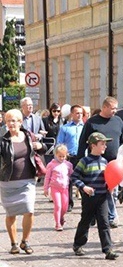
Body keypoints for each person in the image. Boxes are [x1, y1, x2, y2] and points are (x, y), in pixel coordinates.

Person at [0, 109, 48, 254]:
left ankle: (25, 241)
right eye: (8, 121)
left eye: (14, 120)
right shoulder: (2, 139)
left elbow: (42, 149)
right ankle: (14, 243)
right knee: (11, 214)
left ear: (20, 122)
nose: (11, 124)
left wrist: (41, 146)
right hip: (7, 181)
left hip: (27, 179)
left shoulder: (28, 135)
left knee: (29, 210)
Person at [77, 96, 123, 228]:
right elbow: (83, 142)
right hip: (95, 163)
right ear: (104, 107)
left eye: (116, 108)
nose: (115, 111)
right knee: (95, 190)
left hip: (113, 163)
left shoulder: (118, 121)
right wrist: (80, 161)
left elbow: (122, 140)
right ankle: (92, 215)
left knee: (112, 191)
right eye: (112, 108)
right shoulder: (92, 122)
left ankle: (110, 216)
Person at [71, 132, 119, 260]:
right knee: (85, 221)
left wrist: (110, 186)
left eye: (105, 144)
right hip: (89, 197)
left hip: (102, 197)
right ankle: (78, 244)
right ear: (93, 145)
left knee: (104, 223)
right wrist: (84, 187)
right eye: (102, 144)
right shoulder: (84, 161)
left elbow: (109, 178)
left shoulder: (104, 162)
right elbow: (74, 177)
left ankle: (108, 249)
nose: (105, 146)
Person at [56, 105, 85, 209]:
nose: (79, 115)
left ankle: (85, 204)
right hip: (69, 157)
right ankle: (68, 203)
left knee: (83, 180)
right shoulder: (65, 128)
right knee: (68, 181)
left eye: (81, 113)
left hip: (82, 157)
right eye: (77, 113)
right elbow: (59, 143)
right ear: (72, 114)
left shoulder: (85, 127)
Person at [43, 144, 74, 231]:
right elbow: (47, 177)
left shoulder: (68, 165)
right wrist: (46, 188)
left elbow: (72, 174)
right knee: (58, 206)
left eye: (63, 156)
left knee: (64, 207)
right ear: (55, 155)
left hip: (65, 188)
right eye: (59, 156)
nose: (61, 158)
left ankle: (61, 217)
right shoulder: (51, 165)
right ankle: (57, 223)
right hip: (55, 188)